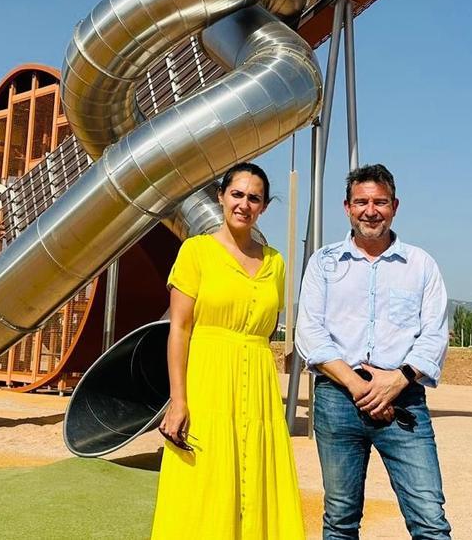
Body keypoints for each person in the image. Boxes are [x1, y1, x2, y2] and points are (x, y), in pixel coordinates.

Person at [296, 163, 451, 540]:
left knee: (429, 518)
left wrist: (396, 381)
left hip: (404, 402)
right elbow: (310, 333)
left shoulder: (420, 265)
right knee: (340, 519)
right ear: (346, 207)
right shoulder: (323, 263)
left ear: (395, 206)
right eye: (361, 202)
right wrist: (359, 387)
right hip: (337, 400)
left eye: (380, 202)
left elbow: (435, 333)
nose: (370, 210)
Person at [151, 162, 305, 539]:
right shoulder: (195, 251)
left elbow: (267, 331)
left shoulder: (276, 263)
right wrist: (178, 399)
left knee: (258, 480)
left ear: (264, 207)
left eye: (254, 198)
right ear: (220, 197)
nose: (244, 204)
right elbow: (180, 329)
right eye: (237, 194)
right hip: (207, 381)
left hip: (260, 385)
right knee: (203, 482)